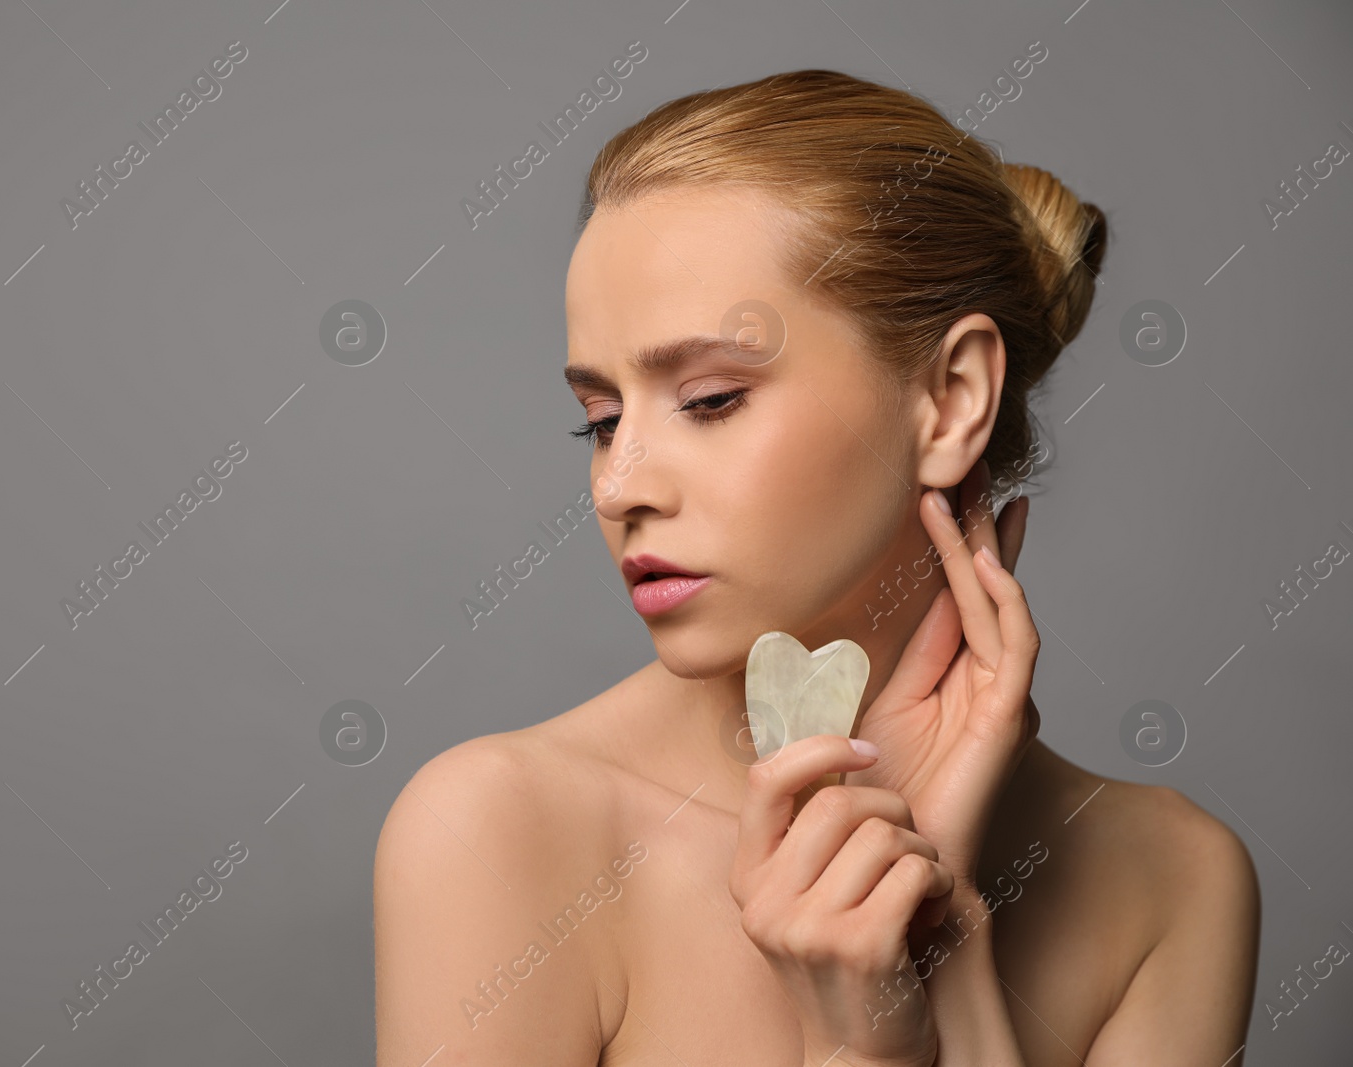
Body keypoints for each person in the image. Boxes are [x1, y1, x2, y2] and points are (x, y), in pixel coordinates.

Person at [374, 69, 1260, 1066]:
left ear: (952, 399)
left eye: (709, 398)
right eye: (600, 418)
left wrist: (943, 949)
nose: (617, 486)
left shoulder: (1173, 878)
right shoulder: (499, 831)